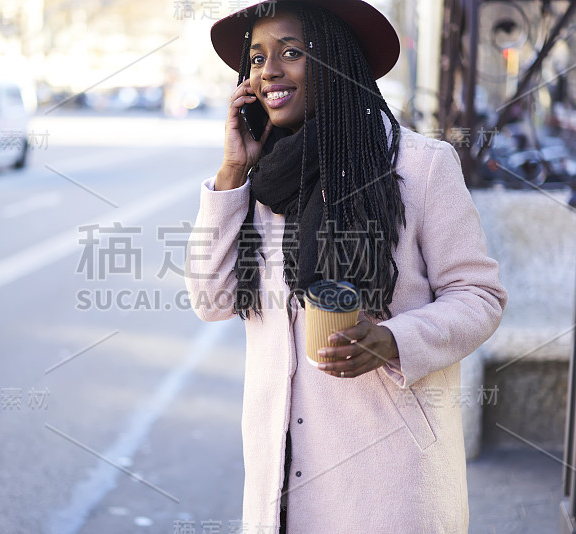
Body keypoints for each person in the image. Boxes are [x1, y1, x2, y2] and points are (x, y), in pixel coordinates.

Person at [184, 1, 507, 532]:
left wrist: (394, 341)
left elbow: (479, 295)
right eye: (258, 57)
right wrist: (232, 171)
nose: (269, 71)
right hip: (279, 485)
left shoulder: (419, 166)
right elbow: (211, 301)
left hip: (388, 487)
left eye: (292, 52)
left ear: (334, 59)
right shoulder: (257, 179)